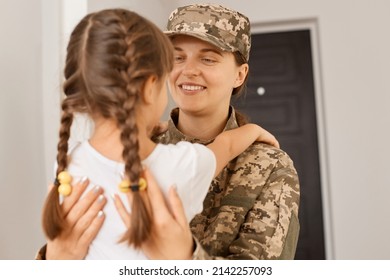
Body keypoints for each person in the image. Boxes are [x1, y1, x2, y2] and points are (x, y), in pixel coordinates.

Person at [36, 3, 299, 260]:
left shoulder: (270, 166)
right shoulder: (134, 147)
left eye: (208, 59)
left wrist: (184, 259)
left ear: (239, 75)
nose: (189, 70)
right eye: (177, 57)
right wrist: (55, 259)